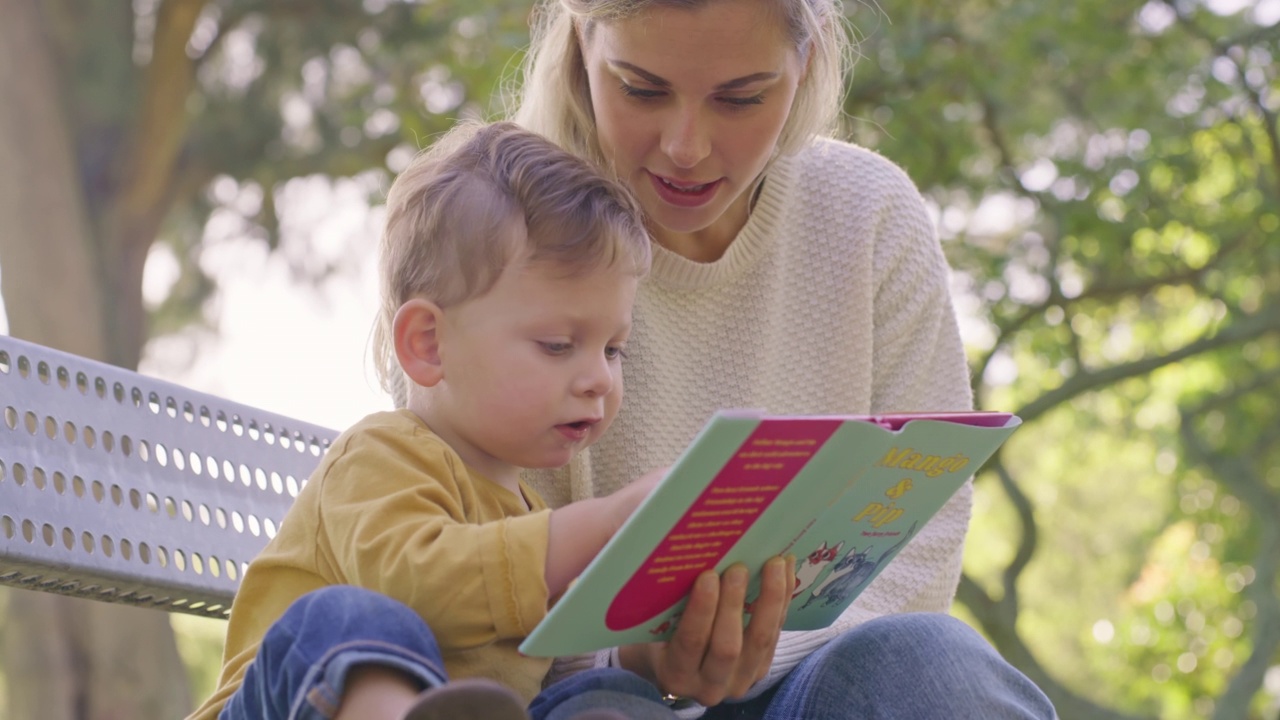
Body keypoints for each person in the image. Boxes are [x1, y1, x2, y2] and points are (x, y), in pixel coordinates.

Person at [509, 0, 1060, 717]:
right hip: (596, 691)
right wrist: (636, 659)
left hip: (832, 676)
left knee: (937, 666)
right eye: (641, 89)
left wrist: (751, 645)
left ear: (809, 56)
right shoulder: (495, 228)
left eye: (741, 98)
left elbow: (920, 552)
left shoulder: (866, 213)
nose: (686, 146)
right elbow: (468, 585)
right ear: (582, 42)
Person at [188, 121, 793, 720]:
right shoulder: (378, 455)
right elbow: (418, 585)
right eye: (558, 344)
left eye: (614, 349)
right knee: (349, 617)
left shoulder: (527, 511)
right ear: (429, 344)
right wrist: (606, 525)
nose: (600, 379)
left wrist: (644, 654)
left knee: (596, 698)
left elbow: (551, 664)